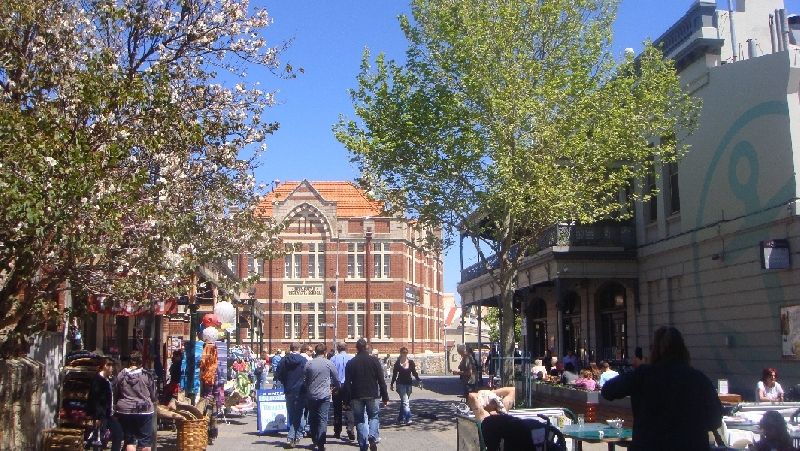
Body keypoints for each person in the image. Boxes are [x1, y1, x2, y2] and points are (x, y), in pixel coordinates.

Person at [601, 326, 723, 451]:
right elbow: (715, 420)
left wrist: (637, 373)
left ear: (654, 350)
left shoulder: (643, 375)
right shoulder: (699, 379)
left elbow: (608, 391)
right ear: (684, 351)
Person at [344, 338, 389, 451]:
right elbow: (381, 380)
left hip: (357, 394)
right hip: (372, 393)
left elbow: (347, 384)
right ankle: (372, 435)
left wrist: (346, 401)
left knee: (360, 420)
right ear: (367, 347)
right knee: (373, 416)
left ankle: (363, 446)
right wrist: (385, 396)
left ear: (356, 348)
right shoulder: (374, 361)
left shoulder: (351, 363)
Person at [113, 351, 157, 451]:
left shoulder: (121, 375)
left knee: (129, 440)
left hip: (125, 410)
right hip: (144, 410)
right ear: (141, 362)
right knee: (145, 442)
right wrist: (154, 400)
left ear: (130, 362)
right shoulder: (146, 375)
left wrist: (116, 404)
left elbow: (115, 392)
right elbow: (153, 393)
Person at [304, 343, 340, 451]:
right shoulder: (329, 363)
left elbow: (304, 380)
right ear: (325, 352)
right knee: (323, 418)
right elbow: (336, 378)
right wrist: (336, 388)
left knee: (313, 417)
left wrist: (308, 388)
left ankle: (314, 438)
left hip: (312, 394)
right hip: (324, 394)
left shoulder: (309, 364)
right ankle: (321, 442)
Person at [276, 342, 309, 448]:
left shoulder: (284, 360)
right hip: (300, 390)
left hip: (289, 389)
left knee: (291, 413)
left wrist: (285, 382)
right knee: (298, 414)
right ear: (299, 349)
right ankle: (292, 436)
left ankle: (296, 435)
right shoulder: (304, 360)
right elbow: (308, 374)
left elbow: (278, 374)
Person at [86, 357, 123, 451]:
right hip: (101, 414)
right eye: (110, 366)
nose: (112, 369)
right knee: (99, 439)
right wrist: (97, 417)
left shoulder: (107, 380)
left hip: (108, 414)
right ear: (105, 366)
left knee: (118, 433)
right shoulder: (98, 380)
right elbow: (95, 399)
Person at [390, 347, 423, 425]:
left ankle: (400, 418)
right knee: (405, 402)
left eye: (406, 353)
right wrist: (391, 384)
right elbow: (394, 375)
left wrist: (419, 380)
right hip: (400, 384)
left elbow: (414, 373)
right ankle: (408, 418)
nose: (405, 354)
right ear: (401, 353)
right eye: (403, 353)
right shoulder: (397, 363)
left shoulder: (411, 363)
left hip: (408, 384)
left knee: (404, 402)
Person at [330, 342, 356, 441]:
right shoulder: (351, 359)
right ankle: (350, 428)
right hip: (348, 386)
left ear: (338, 348)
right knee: (349, 407)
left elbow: (331, 373)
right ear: (347, 348)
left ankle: (337, 430)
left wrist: (332, 385)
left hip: (337, 385)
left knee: (337, 409)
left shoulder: (333, 359)